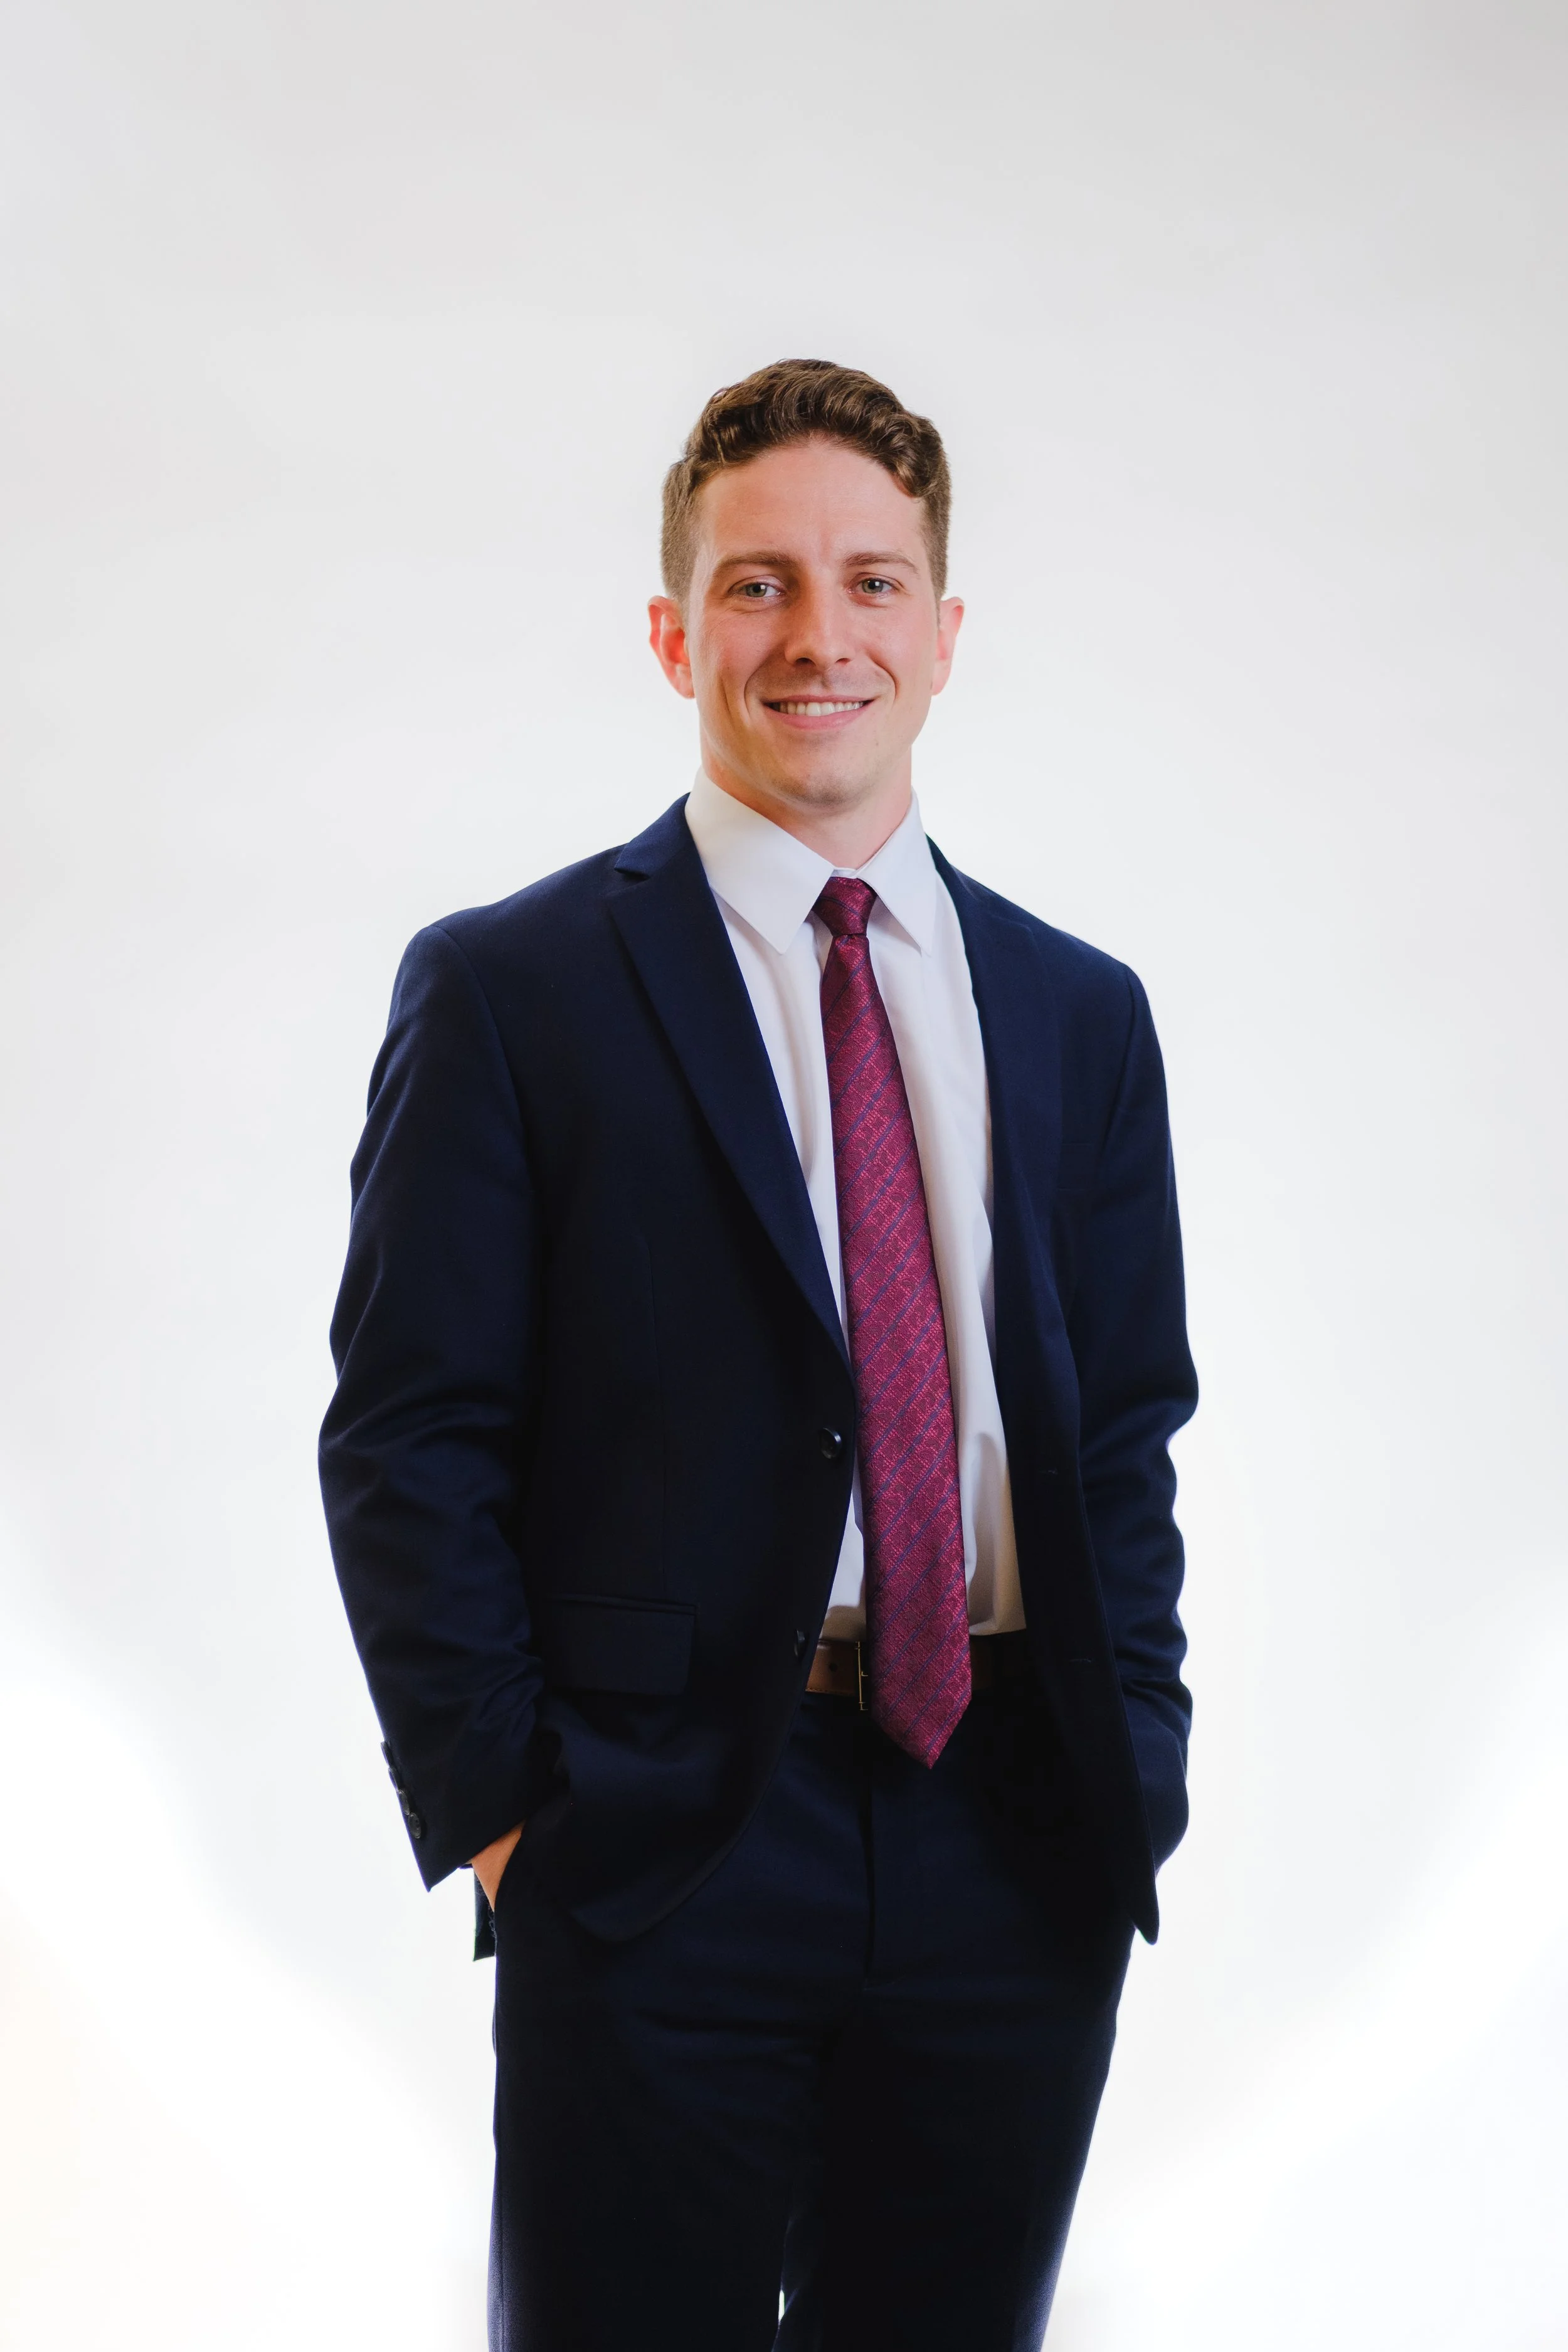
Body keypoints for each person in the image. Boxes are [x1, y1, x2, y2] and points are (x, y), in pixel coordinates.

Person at [319, 357, 1197, 2350]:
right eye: (758, 584)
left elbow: (1124, 1427)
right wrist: (510, 1811)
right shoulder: (512, 989)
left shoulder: (1078, 1010)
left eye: (873, 581)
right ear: (671, 628)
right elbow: (407, 1435)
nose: (820, 636)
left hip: (1008, 1819)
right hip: (654, 1840)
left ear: (945, 631)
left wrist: (1125, 1759)